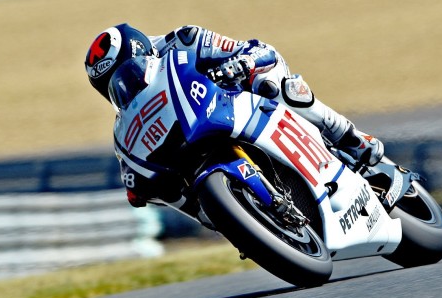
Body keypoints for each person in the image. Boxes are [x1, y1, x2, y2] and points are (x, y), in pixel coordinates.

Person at [85, 23, 384, 207]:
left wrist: (240, 64)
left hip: (238, 97)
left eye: (129, 73)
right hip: (197, 133)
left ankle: (349, 137)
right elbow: (131, 169)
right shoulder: (124, 127)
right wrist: (137, 188)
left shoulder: (184, 40)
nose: (127, 85)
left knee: (273, 84)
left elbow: (255, 49)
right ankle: (242, 218)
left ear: (143, 52)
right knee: (171, 189)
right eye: (115, 86)